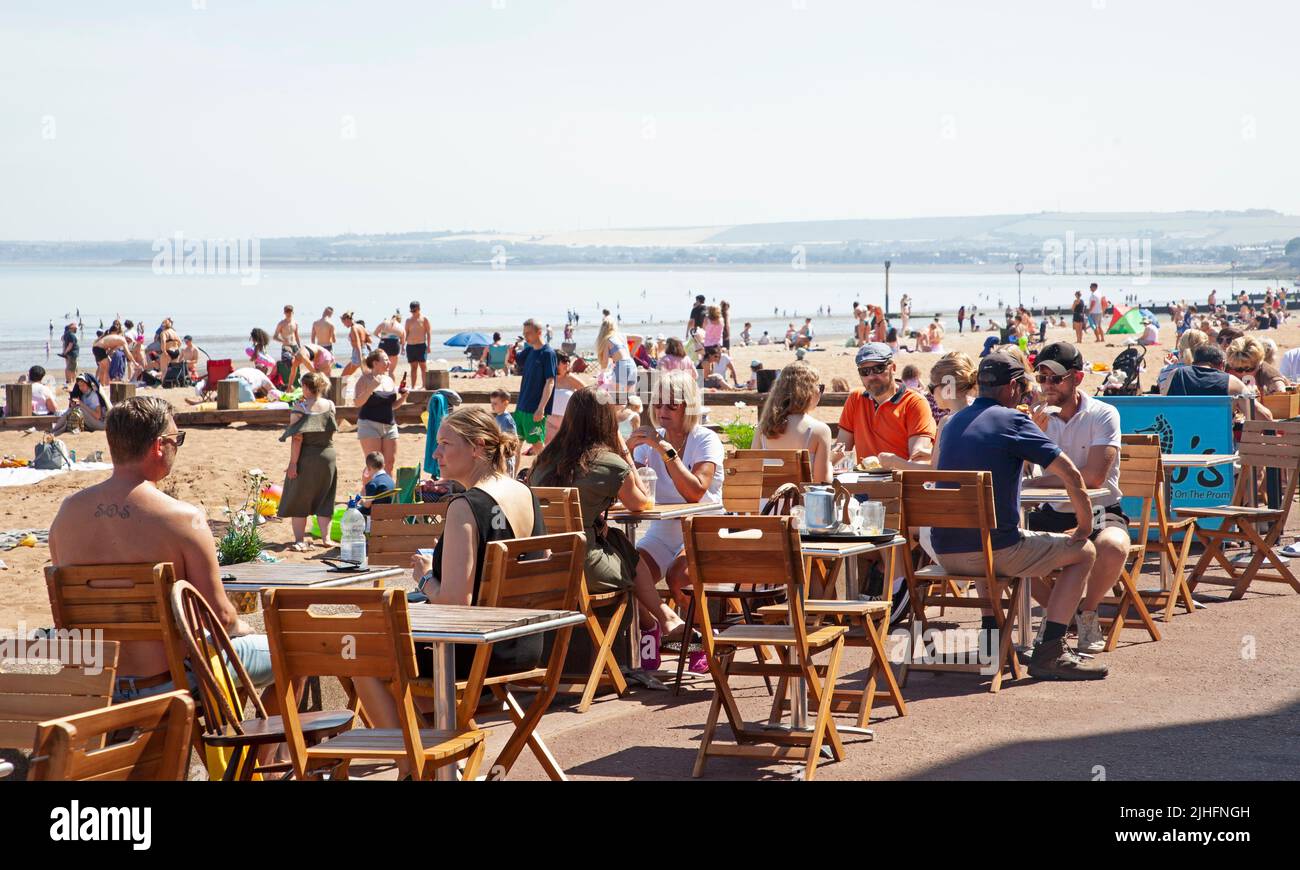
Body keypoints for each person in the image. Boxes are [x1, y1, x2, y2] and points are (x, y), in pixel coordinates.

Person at [48, 397, 274, 703]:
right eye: (176, 440)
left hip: (100, 688)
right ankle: (277, 753)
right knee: (293, 652)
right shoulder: (182, 519)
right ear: (158, 446)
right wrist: (242, 626)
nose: (176, 447)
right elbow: (220, 617)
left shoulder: (66, 516)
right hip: (170, 684)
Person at [354, 408, 546, 738]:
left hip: (477, 652)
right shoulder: (523, 492)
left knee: (361, 653)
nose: (435, 452)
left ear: (478, 447)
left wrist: (426, 577)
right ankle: (440, 752)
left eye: (445, 443)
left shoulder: (466, 506)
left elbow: (455, 602)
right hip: (525, 643)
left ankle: (413, 767)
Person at [931, 352, 1107, 679]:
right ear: (1012, 387)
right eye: (1024, 388)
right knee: (1084, 552)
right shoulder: (1012, 420)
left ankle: (991, 641)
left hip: (946, 552)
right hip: (995, 551)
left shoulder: (953, 422)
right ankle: (1051, 650)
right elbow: (1070, 472)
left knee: (984, 539)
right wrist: (1084, 526)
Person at [1023, 342, 1130, 654]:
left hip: (1099, 508)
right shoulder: (1036, 418)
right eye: (1041, 379)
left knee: (1112, 546)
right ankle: (1062, 611)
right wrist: (1030, 437)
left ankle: (1087, 612)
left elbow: (1095, 476)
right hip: (1053, 510)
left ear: (1078, 378)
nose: (1047, 386)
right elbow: (1022, 475)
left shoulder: (1102, 414)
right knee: (1004, 549)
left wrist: (1043, 479)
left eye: (1055, 379)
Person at [626, 370, 724, 660]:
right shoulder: (652, 442)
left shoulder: (705, 440)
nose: (662, 411)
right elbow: (636, 492)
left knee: (678, 578)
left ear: (688, 407)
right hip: (664, 530)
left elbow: (695, 492)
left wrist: (666, 451)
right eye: (657, 404)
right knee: (629, 572)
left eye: (672, 405)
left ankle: (698, 643)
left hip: (703, 529)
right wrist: (628, 453)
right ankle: (655, 630)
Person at [531, 387, 654, 599]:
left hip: (544, 566)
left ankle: (654, 620)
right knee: (622, 549)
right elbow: (641, 503)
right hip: (583, 567)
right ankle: (658, 619)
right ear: (606, 420)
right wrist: (623, 449)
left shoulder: (543, 461)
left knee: (615, 538)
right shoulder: (608, 464)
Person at [833, 343, 937, 468]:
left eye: (879, 368)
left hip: (902, 481)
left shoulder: (914, 403)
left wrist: (894, 463)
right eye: (864, 371)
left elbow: (918, 459)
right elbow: (841, 449)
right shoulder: (856, 398)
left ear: (893, 368)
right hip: (864, 481)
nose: (871, 376)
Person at [277, 372, 339, 552]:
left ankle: (299, 539)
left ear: (306, 387)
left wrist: (293, 463)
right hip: (328, 456)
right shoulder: (330, 405)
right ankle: (326, 538)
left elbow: (297, 438)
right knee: (325, 497)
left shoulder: (300, 408)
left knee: (300, 498)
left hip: (307, 457)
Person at [756, 361, 833, 483]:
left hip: (767, 502)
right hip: (803, 501)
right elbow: (822, 483)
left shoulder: (762, 429)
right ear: (808, 391)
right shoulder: (820, 430)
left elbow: (753, 472)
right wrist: (830, 463)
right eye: (820, 387)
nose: (820, 392)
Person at [1162, 344, 1273, 420]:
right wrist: (1250, 393)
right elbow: (1265, 418)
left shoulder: (1175, 374)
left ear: (1194, 362)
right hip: (1219, 448)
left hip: (1177, 444)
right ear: (1222, 364)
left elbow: (1163, 407)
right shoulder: (1231, 382)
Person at [353, 349, 407, 475]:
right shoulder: (364, 379)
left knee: (389, 463)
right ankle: (368, 491)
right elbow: (357, 403)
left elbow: (391, 406)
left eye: (388, 359)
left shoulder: (389, 379)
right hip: (369, 425)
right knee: (374, 465)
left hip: (389, 426)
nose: (389, 362)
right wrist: (371, 387)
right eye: (385, 360)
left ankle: (387, 492)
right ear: (375, 363)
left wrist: (403, 398)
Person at [514, 318, 557, 453]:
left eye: (528, 333)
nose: (526, 336)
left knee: (538, 446)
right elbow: (513, 361)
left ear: (539, 332)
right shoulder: (529, 351)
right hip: (521, 406)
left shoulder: (548, 353)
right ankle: (513, 474)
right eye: (524, 333)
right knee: (516, 445)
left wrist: (541, 408)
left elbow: (550, 381)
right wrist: (513, 347)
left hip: (535, 409)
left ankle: (547, 474)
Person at [545, 350, 587, 444]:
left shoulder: (570, 378)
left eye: (568, 361)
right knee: (549, 451)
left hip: (568, 423)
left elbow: (587, 392)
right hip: (549, 422)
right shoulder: (548, 378)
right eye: (563, 361)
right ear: (554, 363)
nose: (567, 363)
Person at [595, 317, 637, 402]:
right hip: (632, 364)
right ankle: (632, 414)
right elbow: (640, 338)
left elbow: (605, 362)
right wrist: (631, 354)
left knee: (617, 399)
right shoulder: (621, 335)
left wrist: (601, 374)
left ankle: (618, 415)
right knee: (630, 398)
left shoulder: (607, 340)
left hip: (621, 365)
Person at [358, 451, 396, 518]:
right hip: (390, 512)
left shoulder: (372, 484)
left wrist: (361, 501)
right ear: (383, 465)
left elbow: (367, 505)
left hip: (377, 515)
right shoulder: (391, 480)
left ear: (368, 468)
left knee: (353, 510)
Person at [404, 301, 432, 389]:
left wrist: (429, 346)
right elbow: (405, 334)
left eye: (414, 310)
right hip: (410, 346)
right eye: (412, 311)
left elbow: (429, 333)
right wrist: (402, 346)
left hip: (421, 345)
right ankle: (413, 386)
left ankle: (424, 385)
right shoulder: (408, 320)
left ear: (419, 309)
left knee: (423, 366)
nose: (413, 312)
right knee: (413, 367)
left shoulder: (424, 319)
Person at [339, 311, 369, 379]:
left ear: (347, 319)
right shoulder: (361, 326)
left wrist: (360, 358)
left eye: (343, 323)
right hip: (364, 351)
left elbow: (358, 343)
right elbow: (369, 339)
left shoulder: (353, 328)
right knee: (367, 375)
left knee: (343, 377)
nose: (344, 325)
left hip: (358, 353)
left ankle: (340, 389)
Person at [374, 312, 404, 378]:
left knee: (382, 370)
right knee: (391, 372)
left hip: (384, 344)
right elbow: (403, 341)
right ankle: (392, 387)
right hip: (395, 345)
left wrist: (381, 337)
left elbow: (375, 333)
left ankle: (381, 385)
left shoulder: (384, 323)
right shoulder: (401, 326)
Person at [58, 323, 79, 388]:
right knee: (72, 369)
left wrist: (64, 352)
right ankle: (71, 382)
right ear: (71, 329)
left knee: (70, 368)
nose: (76, 330)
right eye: (75, 329)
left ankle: (69, 381)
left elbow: (62, 339)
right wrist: (65, 352)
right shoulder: (71, 335)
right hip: (72, 354)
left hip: (69, 354)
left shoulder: (66, 335)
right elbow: (70, 345)